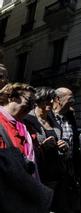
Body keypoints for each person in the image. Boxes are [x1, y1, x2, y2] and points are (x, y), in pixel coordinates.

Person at [0, 83, 53, 212]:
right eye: (28, 101)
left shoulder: (24, 126)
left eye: (33, 104)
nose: (30, 107)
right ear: (11, 97)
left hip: (22, 191)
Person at [23, 87, 70, 212]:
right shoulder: (27, 119)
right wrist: (41, 147)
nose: (51, 102)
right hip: (37, 172)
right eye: (47, 99)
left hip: (55, 173)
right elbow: (23, 146)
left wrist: (64, 146)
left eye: (52, 99)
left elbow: (62, 141)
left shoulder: (53, 120)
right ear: (38, 100)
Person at [50, 87, 81, 212]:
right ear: (58, 99)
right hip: (51, 169)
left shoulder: (70, 117)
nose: (73, 101)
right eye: (70, 98)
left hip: (68, 169)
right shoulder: (48, 116)